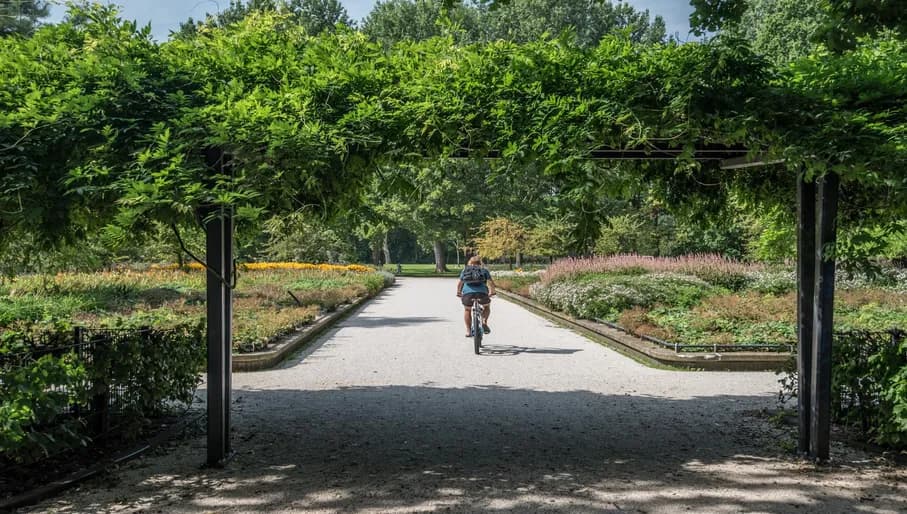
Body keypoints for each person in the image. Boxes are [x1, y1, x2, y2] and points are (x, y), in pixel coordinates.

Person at [456, 256, 496, 337]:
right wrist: (492, 292)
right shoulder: (484, 270)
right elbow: (491, 283)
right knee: (486, 306)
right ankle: (484, 322)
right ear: (480, 263)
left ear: (469, 262)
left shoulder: (465, 270)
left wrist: (459, 292)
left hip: (468, 294)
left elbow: (460, 283)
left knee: (467, 309)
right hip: (482, 293)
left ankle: (468, 331)